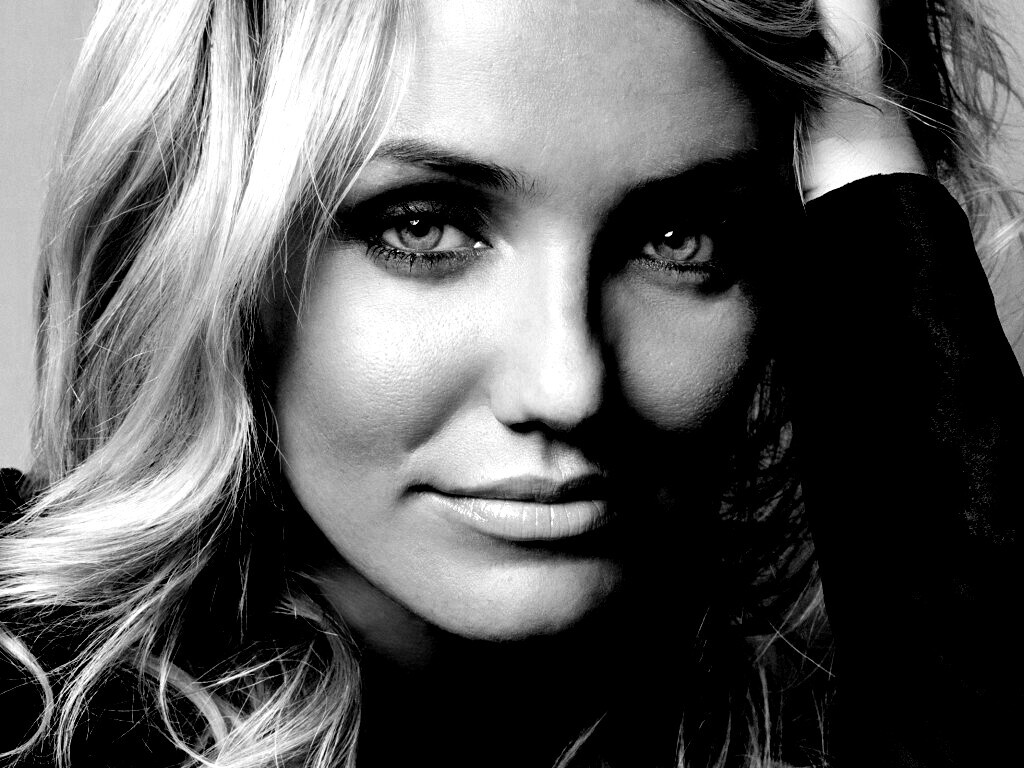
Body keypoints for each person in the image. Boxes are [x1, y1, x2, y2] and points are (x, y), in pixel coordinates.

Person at [1, 0, 1021, 766]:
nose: (568, 387)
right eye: (423, 227)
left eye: (680, 239)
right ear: (202, 247)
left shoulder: (814, 714)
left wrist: (864, 165)